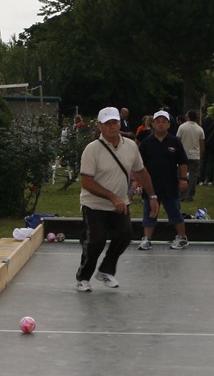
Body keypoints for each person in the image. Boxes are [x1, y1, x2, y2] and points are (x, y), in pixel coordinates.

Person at [76, 108, 153, 290]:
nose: (112, 127)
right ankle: (83, 277)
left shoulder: (131, 146)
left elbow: (140, 171)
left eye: (115, 122)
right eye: (108, 123)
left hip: (120, 203)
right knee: (96, 240)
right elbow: (86, 182)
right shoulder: (92, 149)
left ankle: (105, 270)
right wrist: (112, 197)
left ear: (120, 123)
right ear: (101, 126)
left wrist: (153, 196)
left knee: (125, 235)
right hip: (94, 204)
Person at [137, 110, 190, 250]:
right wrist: (138, 182)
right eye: (158, 121)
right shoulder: (146, 143)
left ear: (168, 125)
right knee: (149, 213)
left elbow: (183, 162)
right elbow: (139, 165)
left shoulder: (175, 142)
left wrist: (183, 179)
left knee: (174, 212)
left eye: (164, 122)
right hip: (151, 186)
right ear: (153, 124)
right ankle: (147, 239)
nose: (160, 124)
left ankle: (182, 238)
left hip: (170, 184)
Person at [177, 110, 204, 200]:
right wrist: (201, 156)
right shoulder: (200, 129)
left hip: (183, 154)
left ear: (188, 117)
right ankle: (189, 195)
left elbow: (177, 141)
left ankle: (181, 194)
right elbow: (202, 144)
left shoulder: (182, 127)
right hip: (195, 155)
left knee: (181, 175)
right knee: (193, 176)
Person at [199, 113, 214, 185]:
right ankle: (210, 180)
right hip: (212, 143)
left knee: (203, 162)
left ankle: (201, 180)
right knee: (211, 162)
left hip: (204, 142)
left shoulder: (204, 121)